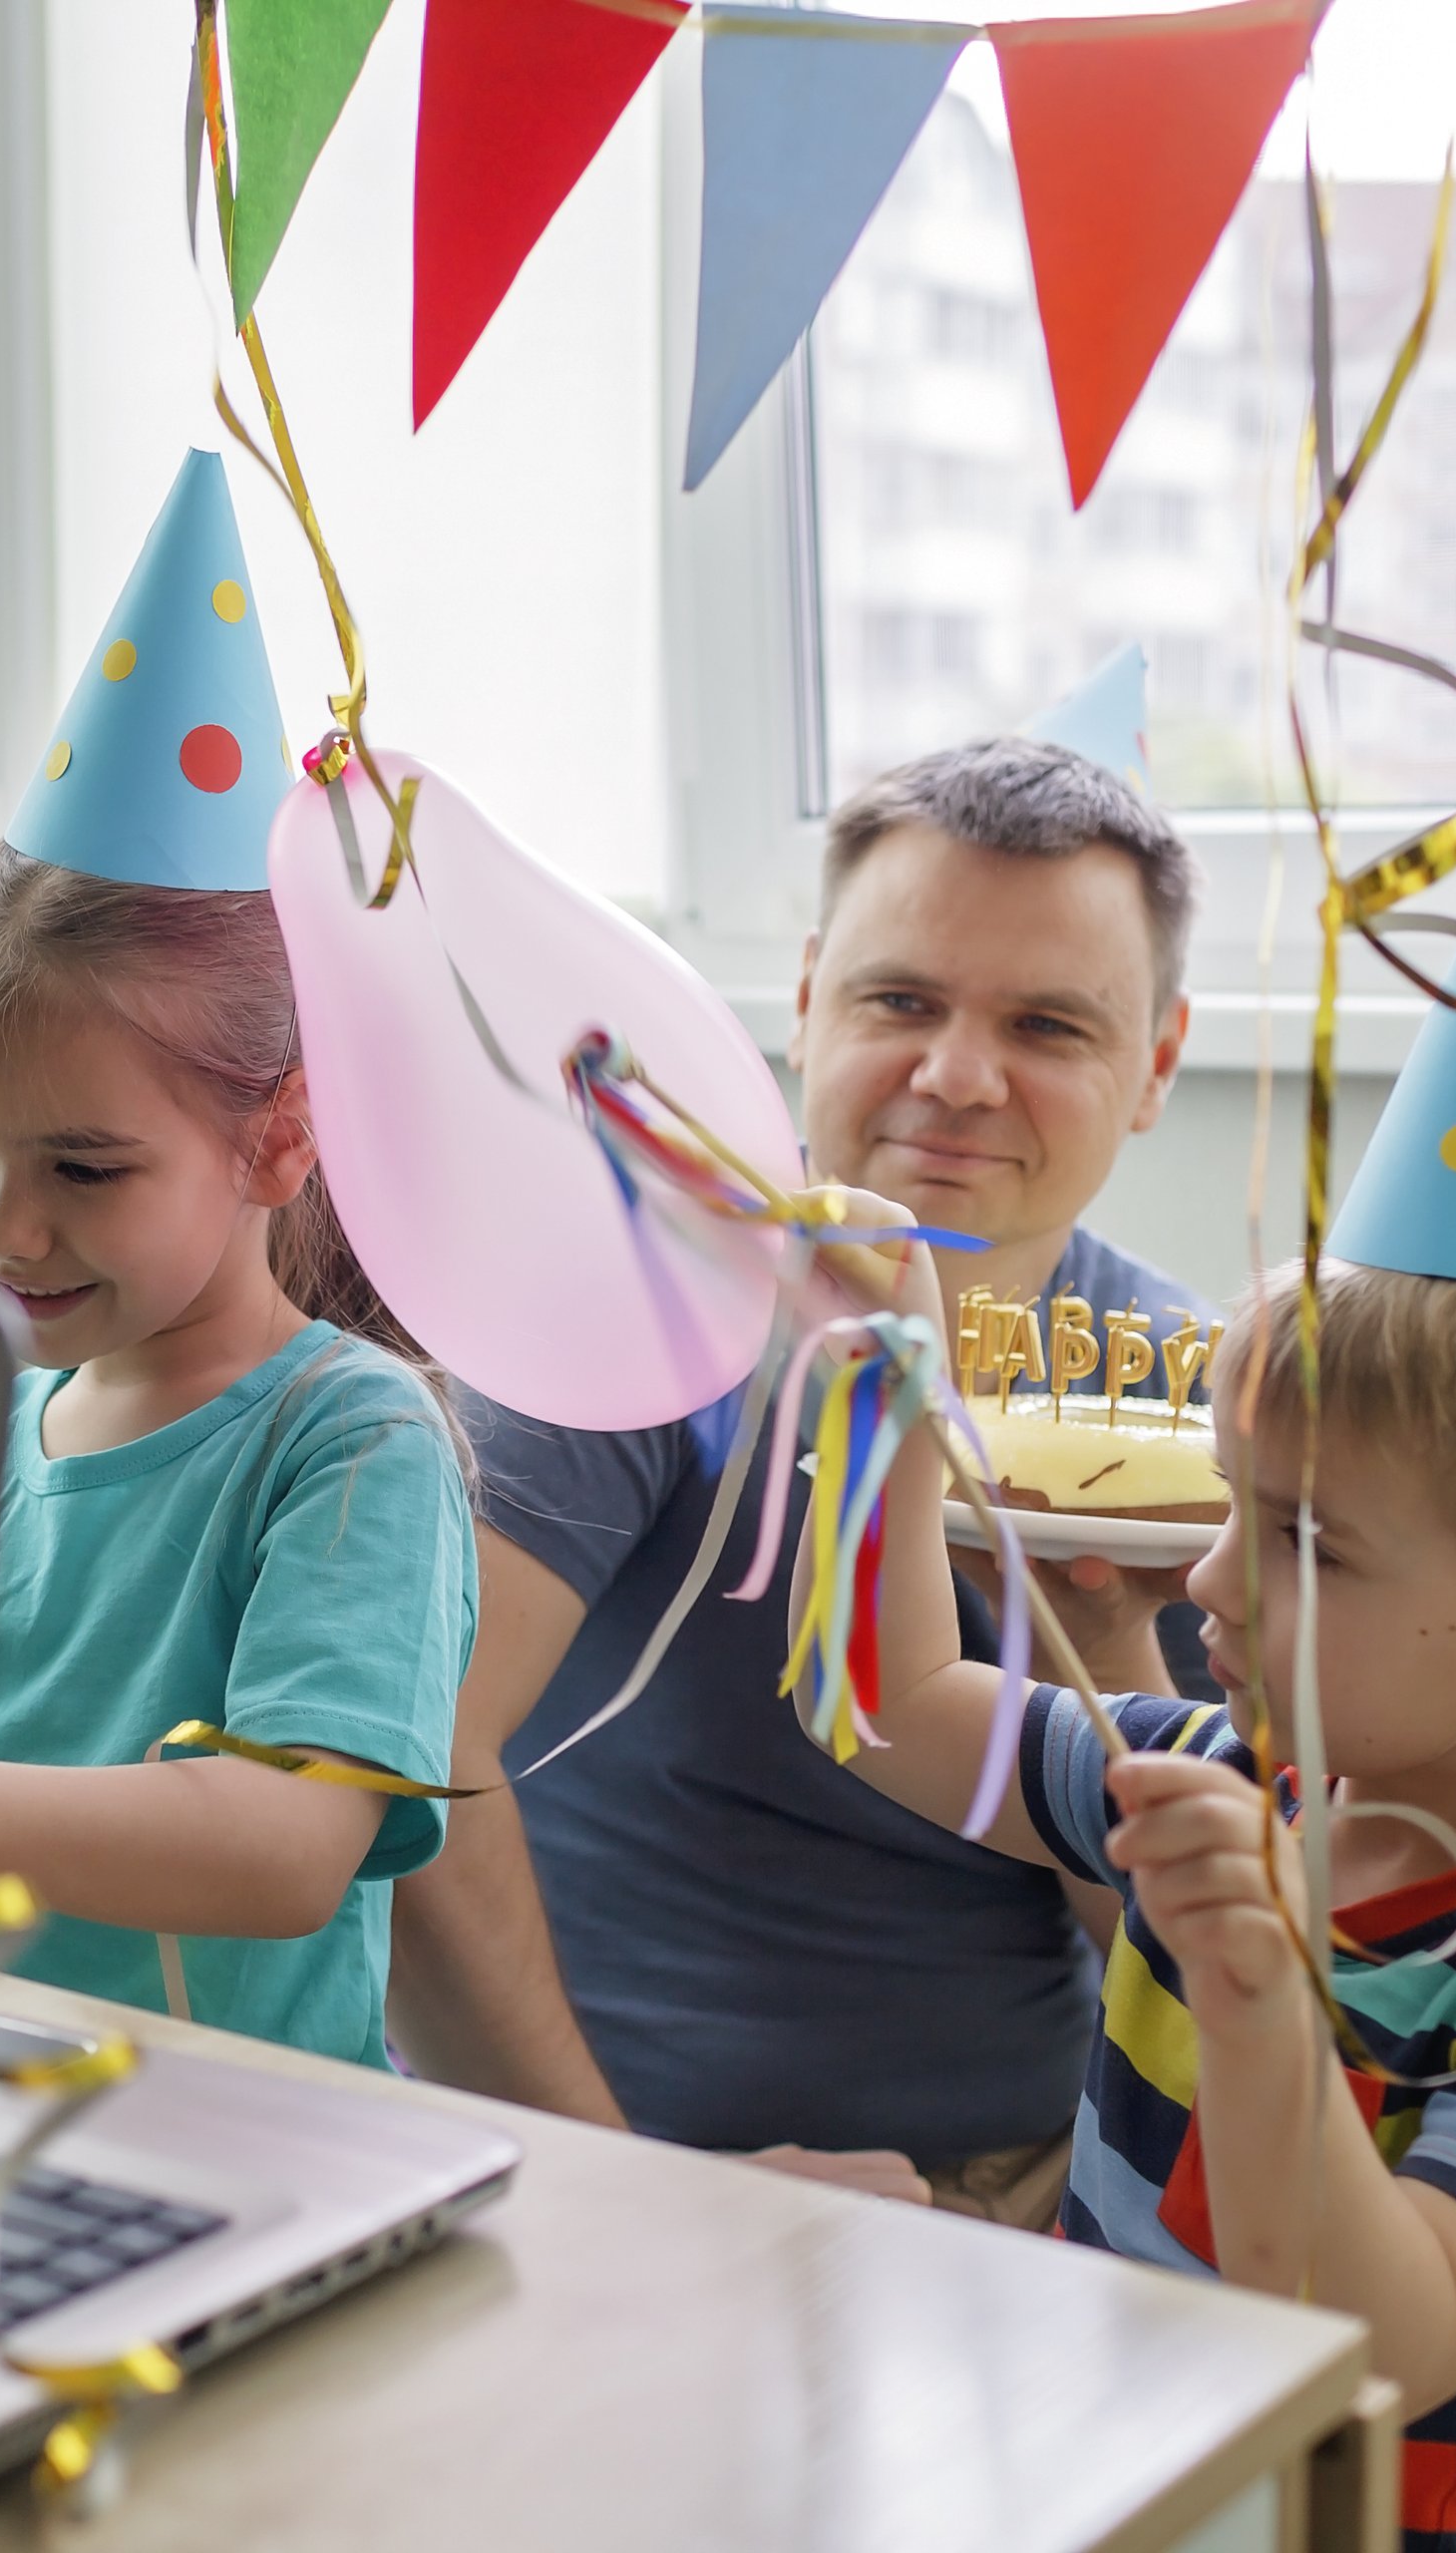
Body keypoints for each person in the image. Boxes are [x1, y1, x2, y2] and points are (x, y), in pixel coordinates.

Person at [814, 797, 1456, 2551]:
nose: (1206, 1581)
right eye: (1235, 1514)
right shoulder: (1218, 1770)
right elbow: (898, 1714)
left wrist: (1262, 1986)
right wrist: (887, 1392)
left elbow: (1365, 2337)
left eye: (1305, 1544)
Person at [389, 737, 1205, 2218]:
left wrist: (1105, 1640)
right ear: (808, 996)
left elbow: (1216, 1936)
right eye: (902, 1000)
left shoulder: (1174, 1395)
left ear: (1155, 1065)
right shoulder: (646, 1312)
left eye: (1049, 1024)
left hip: (1042, 2184)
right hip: (613, 2176)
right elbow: (401, 1763)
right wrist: (632, 2191)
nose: (957, 1077)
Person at [0, 451, 471, 2068]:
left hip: (247, 2157)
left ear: (281, 1137)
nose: (6, 1230)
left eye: (86, 1167)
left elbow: (280, 1848)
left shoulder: (351, 1439)